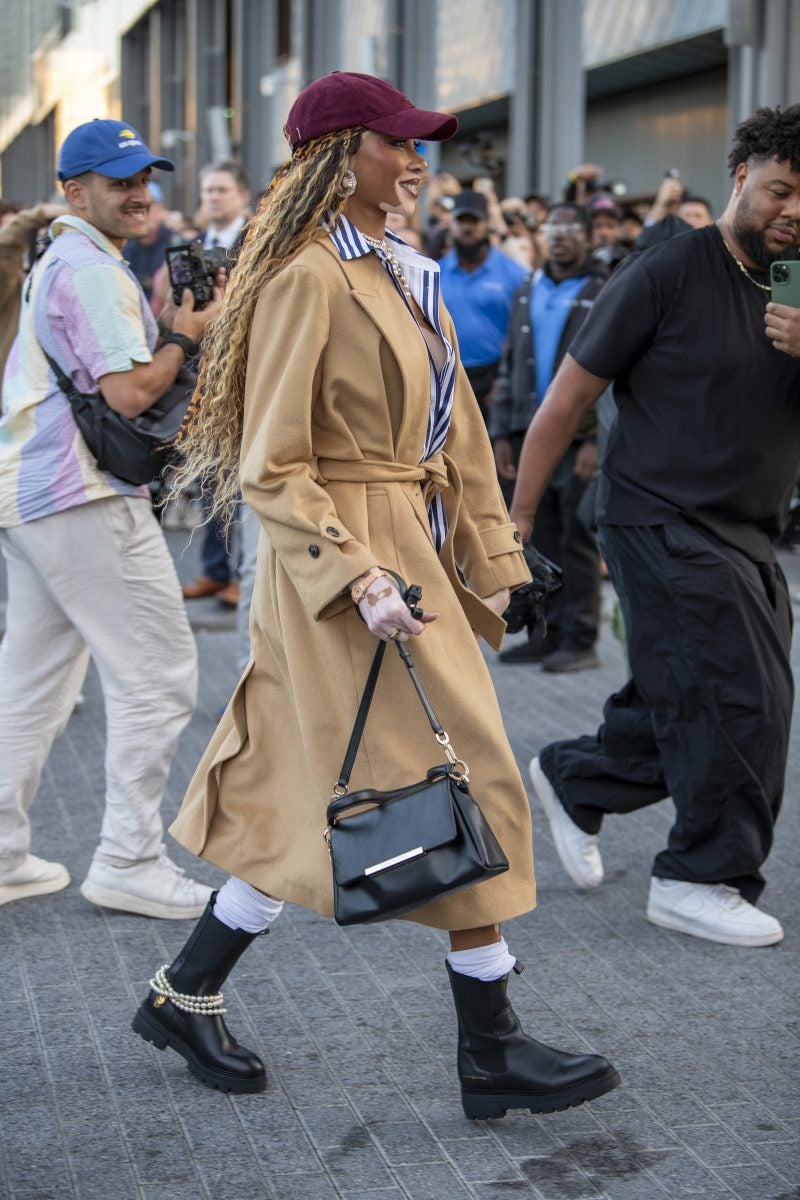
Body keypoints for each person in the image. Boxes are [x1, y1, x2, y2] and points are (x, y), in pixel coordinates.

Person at [131, 70, 620, 1117]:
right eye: (396, 144)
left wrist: (498, 559)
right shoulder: (311, 276)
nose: (415, 161)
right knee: (467, 779)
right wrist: (357, 576)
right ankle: (490, 1049)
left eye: (417, 145)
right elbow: (272, 463)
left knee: (299, 793)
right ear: (337, 154)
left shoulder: (402, 267)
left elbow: (449, 437)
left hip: (403, 551)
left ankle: (187, 989)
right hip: (353, 567)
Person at [509, 104, 800, 949]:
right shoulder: (666, 273)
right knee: (738, 698)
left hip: (747, 525)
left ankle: (578, 778)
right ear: (740, 176)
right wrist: (518, 522)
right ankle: (697, 877)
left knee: (696, 689)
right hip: (654, 515)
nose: (793, 214)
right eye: (781, 192)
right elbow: (566, 401)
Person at [0, 119, 221, 918]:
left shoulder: (57, 260)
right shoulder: (89, 267)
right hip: (81, 493)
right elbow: (132, 393)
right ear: (73, 191)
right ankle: (129, 858)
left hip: (35, 493)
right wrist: (184, 335)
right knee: (158, 675)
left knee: (31, 685)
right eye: (120, 180)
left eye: (144, 179)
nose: (140, 193)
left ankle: (2, 854)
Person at [491, 204, 607, 670]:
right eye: (552, 230)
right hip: (526, 433)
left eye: (570, 230)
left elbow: (613, 373)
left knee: (577, 540)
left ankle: (580, 641)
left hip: (576, 440)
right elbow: (508, 363)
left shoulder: (603, 289)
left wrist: (595, 438)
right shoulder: (527, 288)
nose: (560, 238)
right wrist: (501, 432)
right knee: (539, 539)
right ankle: (546, 634)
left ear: (588, 237)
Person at [180, 160, 253, 607]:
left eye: (221, 190)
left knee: (244, 482)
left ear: (242, 196)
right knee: (210, 478)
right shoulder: (193, 247)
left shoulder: (259, 241)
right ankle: (215, 569)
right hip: (204, 377)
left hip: (245, 373)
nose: (212, 198)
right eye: (207, 191)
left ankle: (243, 572)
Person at [439, 190, 529, 421]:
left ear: (488, 225)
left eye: (475, 221)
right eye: (461, 221)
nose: (468, 228)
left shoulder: (514, 274)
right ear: (451, 225)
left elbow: (524, 334)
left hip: (495, 380)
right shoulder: (433, 273)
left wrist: (505, 381)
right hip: (446, 379)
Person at [0, 199, 66, 384]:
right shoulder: (5, 279)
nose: (19, 242)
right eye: (10, 229)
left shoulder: (34, 273)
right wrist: (40, 214)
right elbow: (4, 247)